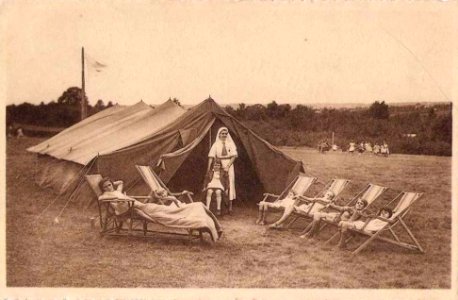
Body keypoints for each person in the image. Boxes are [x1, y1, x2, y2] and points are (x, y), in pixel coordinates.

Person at [98, 177, 223, 242]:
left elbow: (120, 182)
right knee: (167, 214)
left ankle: (197, 212)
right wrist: (115, 196)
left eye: (109, 185)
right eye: (106, 186)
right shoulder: (105, 196)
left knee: (168, 210)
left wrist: (113, 184)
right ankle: (200, 221)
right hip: (136, 209)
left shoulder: (116, 190)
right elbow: (101, 199)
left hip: (144, 206)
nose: (109, 187)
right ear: (102, 189)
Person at [300, 197, 368, 240]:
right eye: (358, 203)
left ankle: (309, 235)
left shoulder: (361, 213)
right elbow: (339, 208)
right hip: (335, 217)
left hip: (339, 221)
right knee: (317, 214)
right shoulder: (351, 208)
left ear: (364, 206)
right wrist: (331, 205)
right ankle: (313, 234)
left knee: (318, 215)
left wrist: (352, 213)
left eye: (361, 204)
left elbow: (351, 222)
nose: (358, 204)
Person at [266, 190, 336, 229]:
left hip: (311, 212)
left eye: (330, 196)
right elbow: (310, 200)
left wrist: (301, 196)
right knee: (290, 207)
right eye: (328, 194)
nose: (328, 196)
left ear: (331, 198)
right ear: (325, 194)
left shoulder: (327, 201)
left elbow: (312, 199)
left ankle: (278, 223)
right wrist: (301, 197)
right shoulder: (319, 199)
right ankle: (281, 224)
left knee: (290, 207)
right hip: (306, 209)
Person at [207, 127, 237, 214]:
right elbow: (211, 156)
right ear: (219, 134)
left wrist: (228, 166)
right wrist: (208, 169)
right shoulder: (216, 144)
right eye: (222, 133)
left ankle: (230, 207)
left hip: (229, 165)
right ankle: (220, 207)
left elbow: (234, 156)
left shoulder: (230, 144)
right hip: (219, 166)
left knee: (230, 183)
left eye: (225, 134)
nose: (224, 135)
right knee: (220, 183)